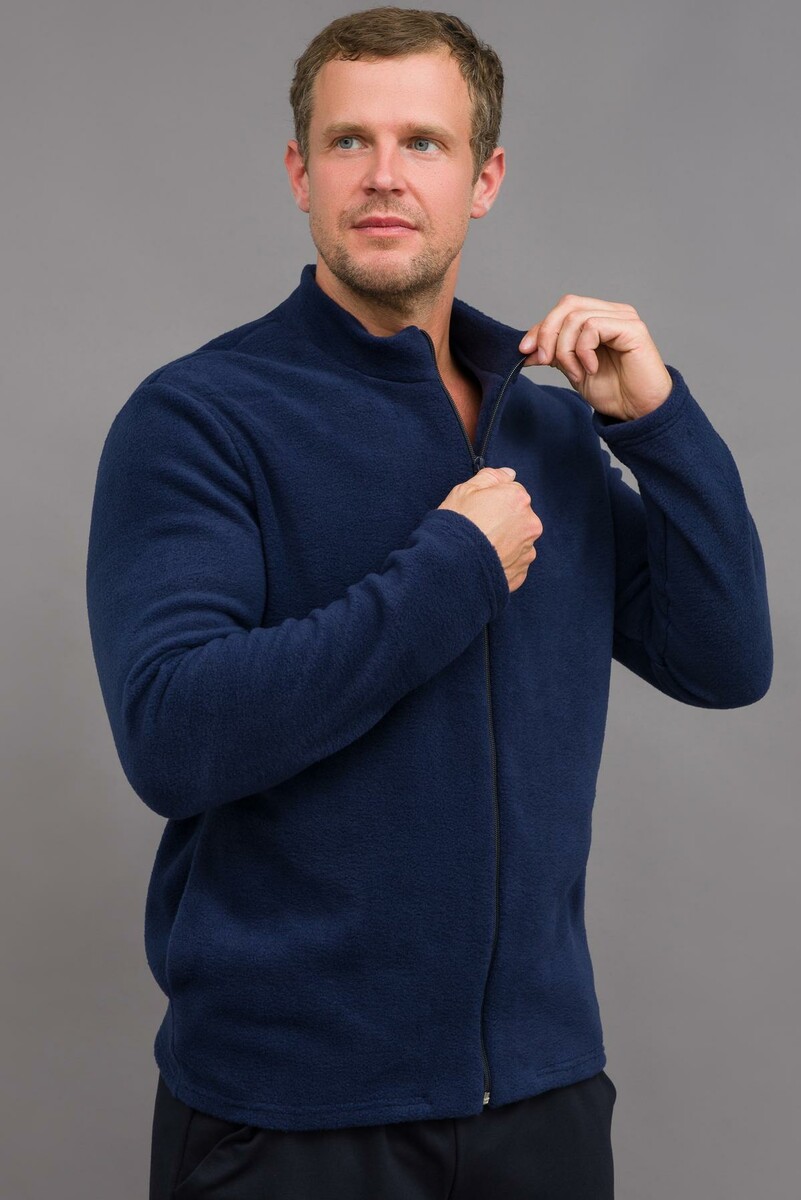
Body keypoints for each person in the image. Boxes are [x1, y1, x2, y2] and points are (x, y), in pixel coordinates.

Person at [85, 8, 773, 1199]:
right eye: (349, 141)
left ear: (484, 178)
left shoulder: (547, 426)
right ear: (300, 173)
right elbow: (173, 734)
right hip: (289, 1117)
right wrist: (451, 569)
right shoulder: (199, 417)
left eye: (425, 142)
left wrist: (660, 423)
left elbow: (726, 660)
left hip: (543, 1103)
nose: (385, 176)